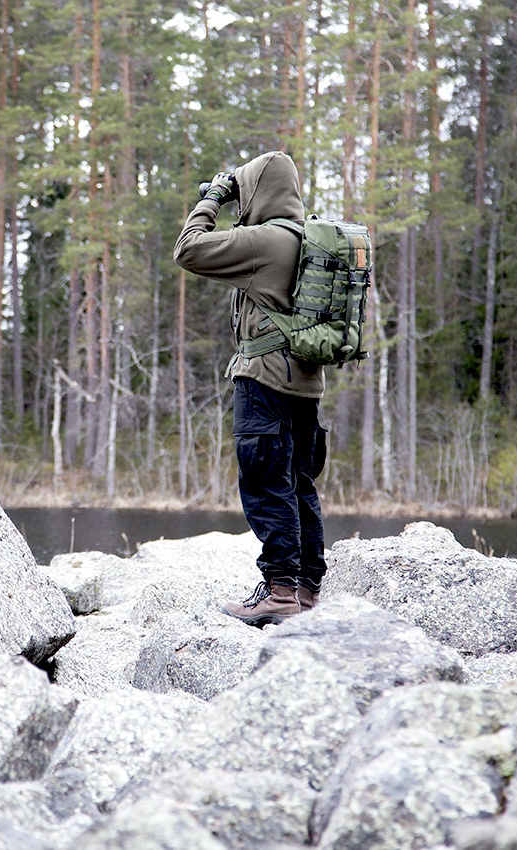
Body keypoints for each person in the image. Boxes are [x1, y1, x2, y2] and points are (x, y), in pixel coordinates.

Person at [173, 150, 327, 626]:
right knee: (299, 485)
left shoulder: (264, 240)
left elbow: (188, 249)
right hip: (306, 383)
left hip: (264, 379)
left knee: (266, 483)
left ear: (259, 190)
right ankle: (305, 591)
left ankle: (279, 591)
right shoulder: (309, 237)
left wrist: (215, 197)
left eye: (245, 189)